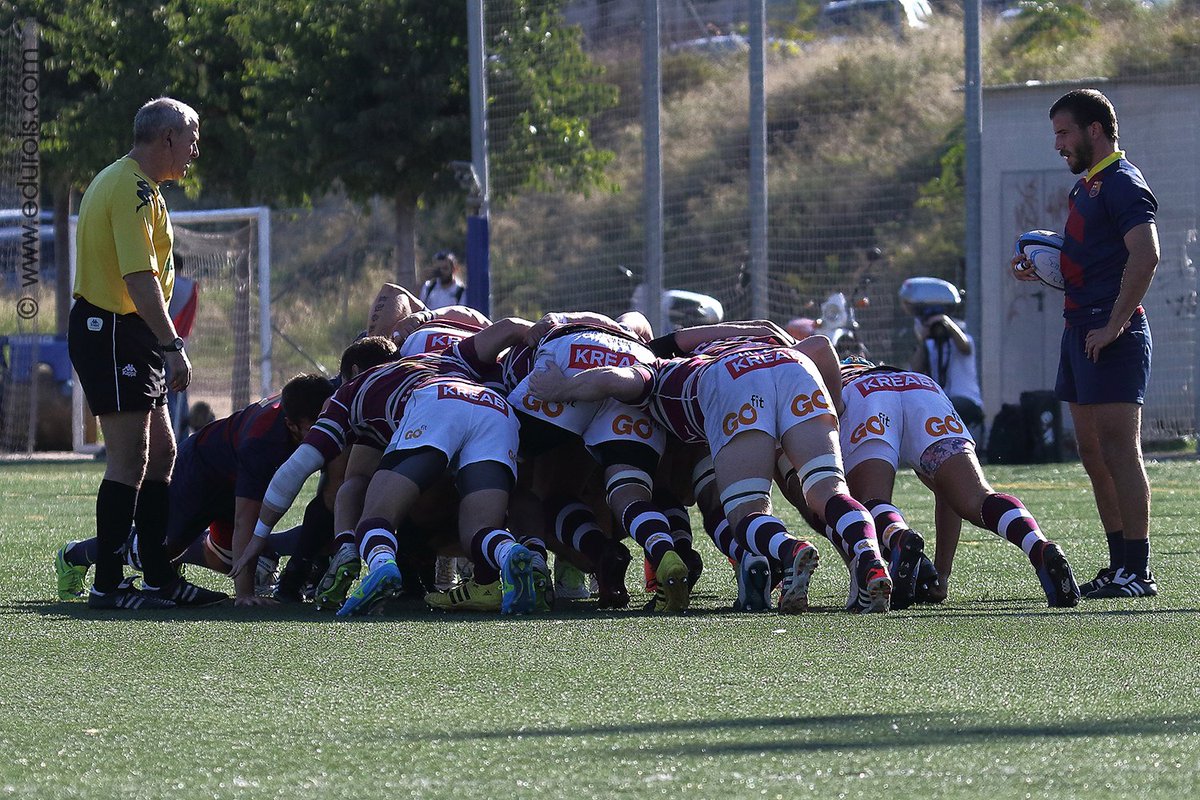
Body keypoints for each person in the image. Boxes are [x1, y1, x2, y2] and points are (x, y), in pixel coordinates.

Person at [65, 97, 223, 610]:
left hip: (129, 333)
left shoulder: (141, 186)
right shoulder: (130, 187)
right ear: (167, 138)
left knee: (164, 454)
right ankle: (108, 584)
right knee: (130, 458)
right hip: (111, 329)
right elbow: (138, 278)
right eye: (192, 137)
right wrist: (172, 344)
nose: (196, 149)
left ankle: (158, 577)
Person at [1011, 88, 1160, 599]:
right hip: (1079, 330)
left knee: (1120, 448)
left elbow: (1147, 255)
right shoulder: (1085, 189)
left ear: (1094, 129)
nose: (1057, 145)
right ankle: (1118, 564)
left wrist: (1115, 325)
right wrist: (1043, 268)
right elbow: (1087, 257)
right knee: (1091, 450)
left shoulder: (1121, 181)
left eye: (1063, 132)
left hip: (1110, 333)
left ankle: (1138, 572)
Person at [911, 312, 984, 440]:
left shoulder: (963, 342)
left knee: (943, 409)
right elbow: (915, 370)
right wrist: (923, 339)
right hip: (940, 400)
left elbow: (965, 346)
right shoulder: (929, 346)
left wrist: (947, 323)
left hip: (967, 399)